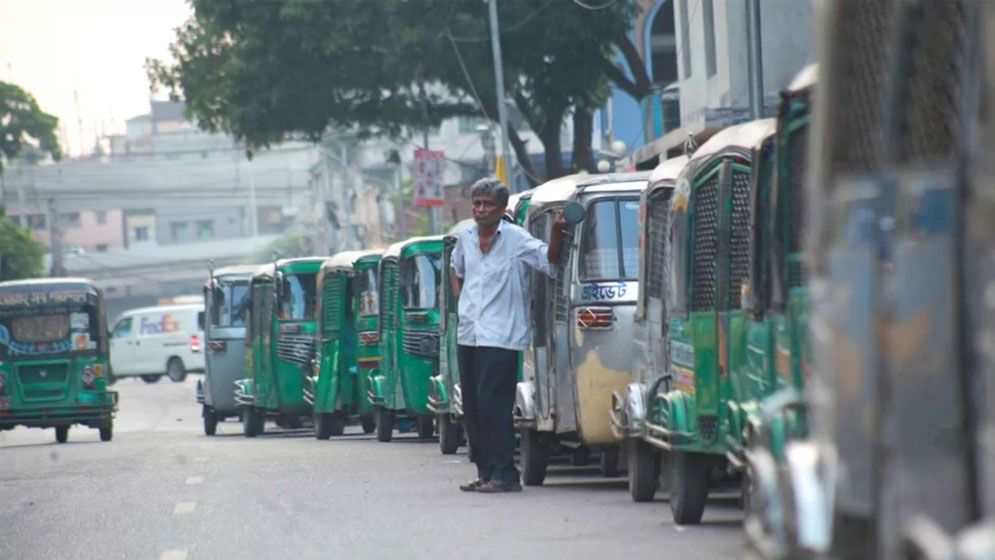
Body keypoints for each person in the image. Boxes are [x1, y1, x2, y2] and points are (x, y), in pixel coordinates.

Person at [450, 177, 566, 493]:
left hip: (500, 335)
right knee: (472, 407)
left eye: (488, 204)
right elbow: (456, 268)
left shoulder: (516, 239)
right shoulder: (465, 238)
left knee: (494, 405)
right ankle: (486, 471)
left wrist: (557, 233)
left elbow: (548, 261)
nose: (481, 209)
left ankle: (504, 473)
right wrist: (462, 298)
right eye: (477, 203)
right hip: (469, 334)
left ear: (502, 209)